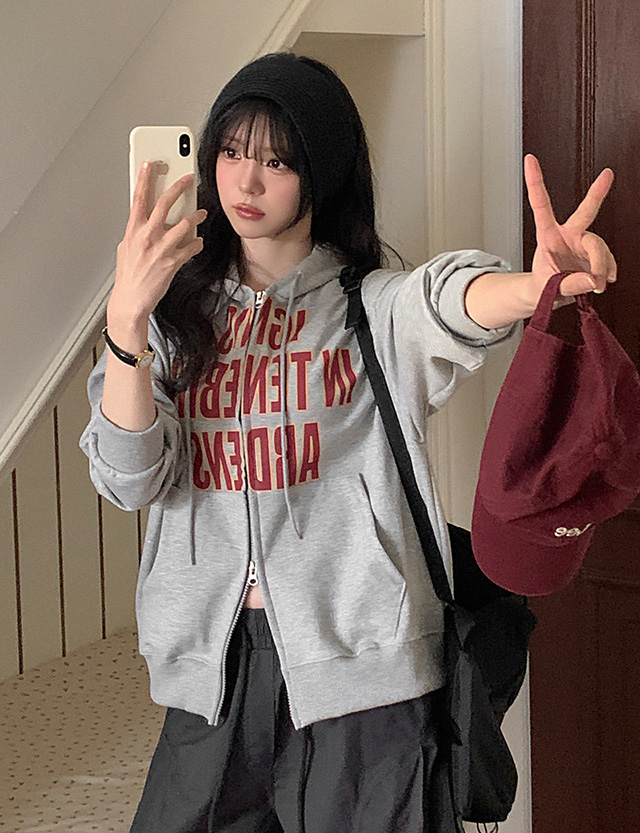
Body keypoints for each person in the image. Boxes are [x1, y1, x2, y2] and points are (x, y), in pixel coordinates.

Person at [79, 51, 616, 833]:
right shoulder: (168, 320)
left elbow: (444, 300)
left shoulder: (372, 310)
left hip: (367, 673)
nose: (245, 180)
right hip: (213, 672)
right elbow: (129, 478)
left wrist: (531, 290)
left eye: (277, 161)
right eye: (230, 151)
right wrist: (128, 321)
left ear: (321, 173)